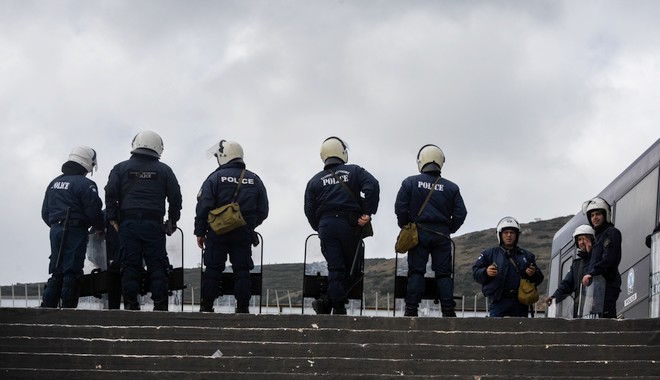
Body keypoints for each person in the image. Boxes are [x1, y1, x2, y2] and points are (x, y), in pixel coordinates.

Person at [105, 130, 182, 311]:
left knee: (130, 265)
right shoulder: (165, 170)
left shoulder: (120, 168)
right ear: (158, 147)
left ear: (135, 144)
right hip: (153, 225)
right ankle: (160, 306)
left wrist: (113, 218)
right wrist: (173, 220)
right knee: (157, 265)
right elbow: (176, 197)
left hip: (128, 224)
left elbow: (110, 194)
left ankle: (131, 306)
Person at [304, 137, 380, 315]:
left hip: (327, 225)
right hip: (349, 224)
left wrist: (320, 227)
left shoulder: (314, 180)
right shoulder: (355, 171)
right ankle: (332, 304)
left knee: (335, 267)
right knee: (352, 268)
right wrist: (367, 213)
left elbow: (309, 209)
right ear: (343, 152)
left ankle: (332, 305)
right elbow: (372, 186)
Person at [195, 140, 269, 313]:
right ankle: (242, 308)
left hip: (217, 232)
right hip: (243, 232)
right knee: (242, 270)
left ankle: (207, 306)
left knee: (213, 269)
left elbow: (203, 207)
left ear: (223, 156)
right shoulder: (254, 179)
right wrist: (248, 225)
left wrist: (200, 232)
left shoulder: (213, 178)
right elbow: (263, 210)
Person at [394, 144, 467, 317]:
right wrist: (450, 228)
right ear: (441, 162)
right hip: (442, 235)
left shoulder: (410, 182)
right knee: (443, 274)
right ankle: (448, 310)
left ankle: (411, 309)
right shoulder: (452, 187)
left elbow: (400, 208)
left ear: (421, 161)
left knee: (416, 271)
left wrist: (406, 225)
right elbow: (461, 213)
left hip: (418, 233)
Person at [41, 146, 105, 308]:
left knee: (57, 270)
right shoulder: (86, 184)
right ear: (88, 163)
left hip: (55, 230)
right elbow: (93, 210)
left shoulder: (54, 183)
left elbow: (45, 213)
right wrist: (99, 227)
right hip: (75, 230)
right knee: (72, 271)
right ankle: (68, 310)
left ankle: (47, 308)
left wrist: (57, 225)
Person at [472, 216, 544, 317]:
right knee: (496, 331)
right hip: (498, 302)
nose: (509, 235)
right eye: (505, 233)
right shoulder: (488, 254)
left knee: (520, 331)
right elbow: (475, 273)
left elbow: (540, 278)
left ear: (516, 235)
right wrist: (486, 272)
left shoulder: (527, 255)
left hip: (520, 303)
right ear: (500, 235)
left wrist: (533, 274)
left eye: (512, 233)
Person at [580, 197, 622, 319]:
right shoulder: (597, 238)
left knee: (607, 319)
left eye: (598, 214)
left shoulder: (611, 232)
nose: (594, 218)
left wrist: (592, 273)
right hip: (597, 287)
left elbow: (609, 258)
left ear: (605, 215)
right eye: (592, 215)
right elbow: (596, 262)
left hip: (607, 283)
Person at [544, 224, 595, 317]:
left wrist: (592, 253)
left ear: (592, 240)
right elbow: (566, 285)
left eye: (585, 239)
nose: (582, 242)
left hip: (595, 309)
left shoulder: (598, 260)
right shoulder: (576, 264)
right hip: (580, 311)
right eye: (579, 239)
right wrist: (554, 297)